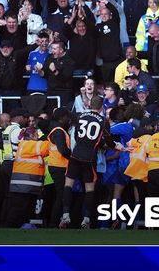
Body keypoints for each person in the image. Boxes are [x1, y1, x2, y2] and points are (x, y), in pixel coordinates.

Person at [59, 96, 111, 229]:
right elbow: (105, 141)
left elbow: (77, 135)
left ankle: (65, 215)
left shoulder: (79, 116)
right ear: (101, 107)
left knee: (68, 185)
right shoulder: (104, 121)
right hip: (89, 157)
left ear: (88, 104)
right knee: (89, 188)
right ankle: (86, 219)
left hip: (76, 155)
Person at [5, 125, 49, 228]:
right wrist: (51, 136)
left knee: (23, 209)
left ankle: (19, 227)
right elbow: (47, 147)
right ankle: (10, 229)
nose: (38, 136)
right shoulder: (30, 145)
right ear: (31, 135)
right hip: (24, 185)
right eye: (36, 134)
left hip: (24, 185)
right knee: (18, 210)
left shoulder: (25, 144)